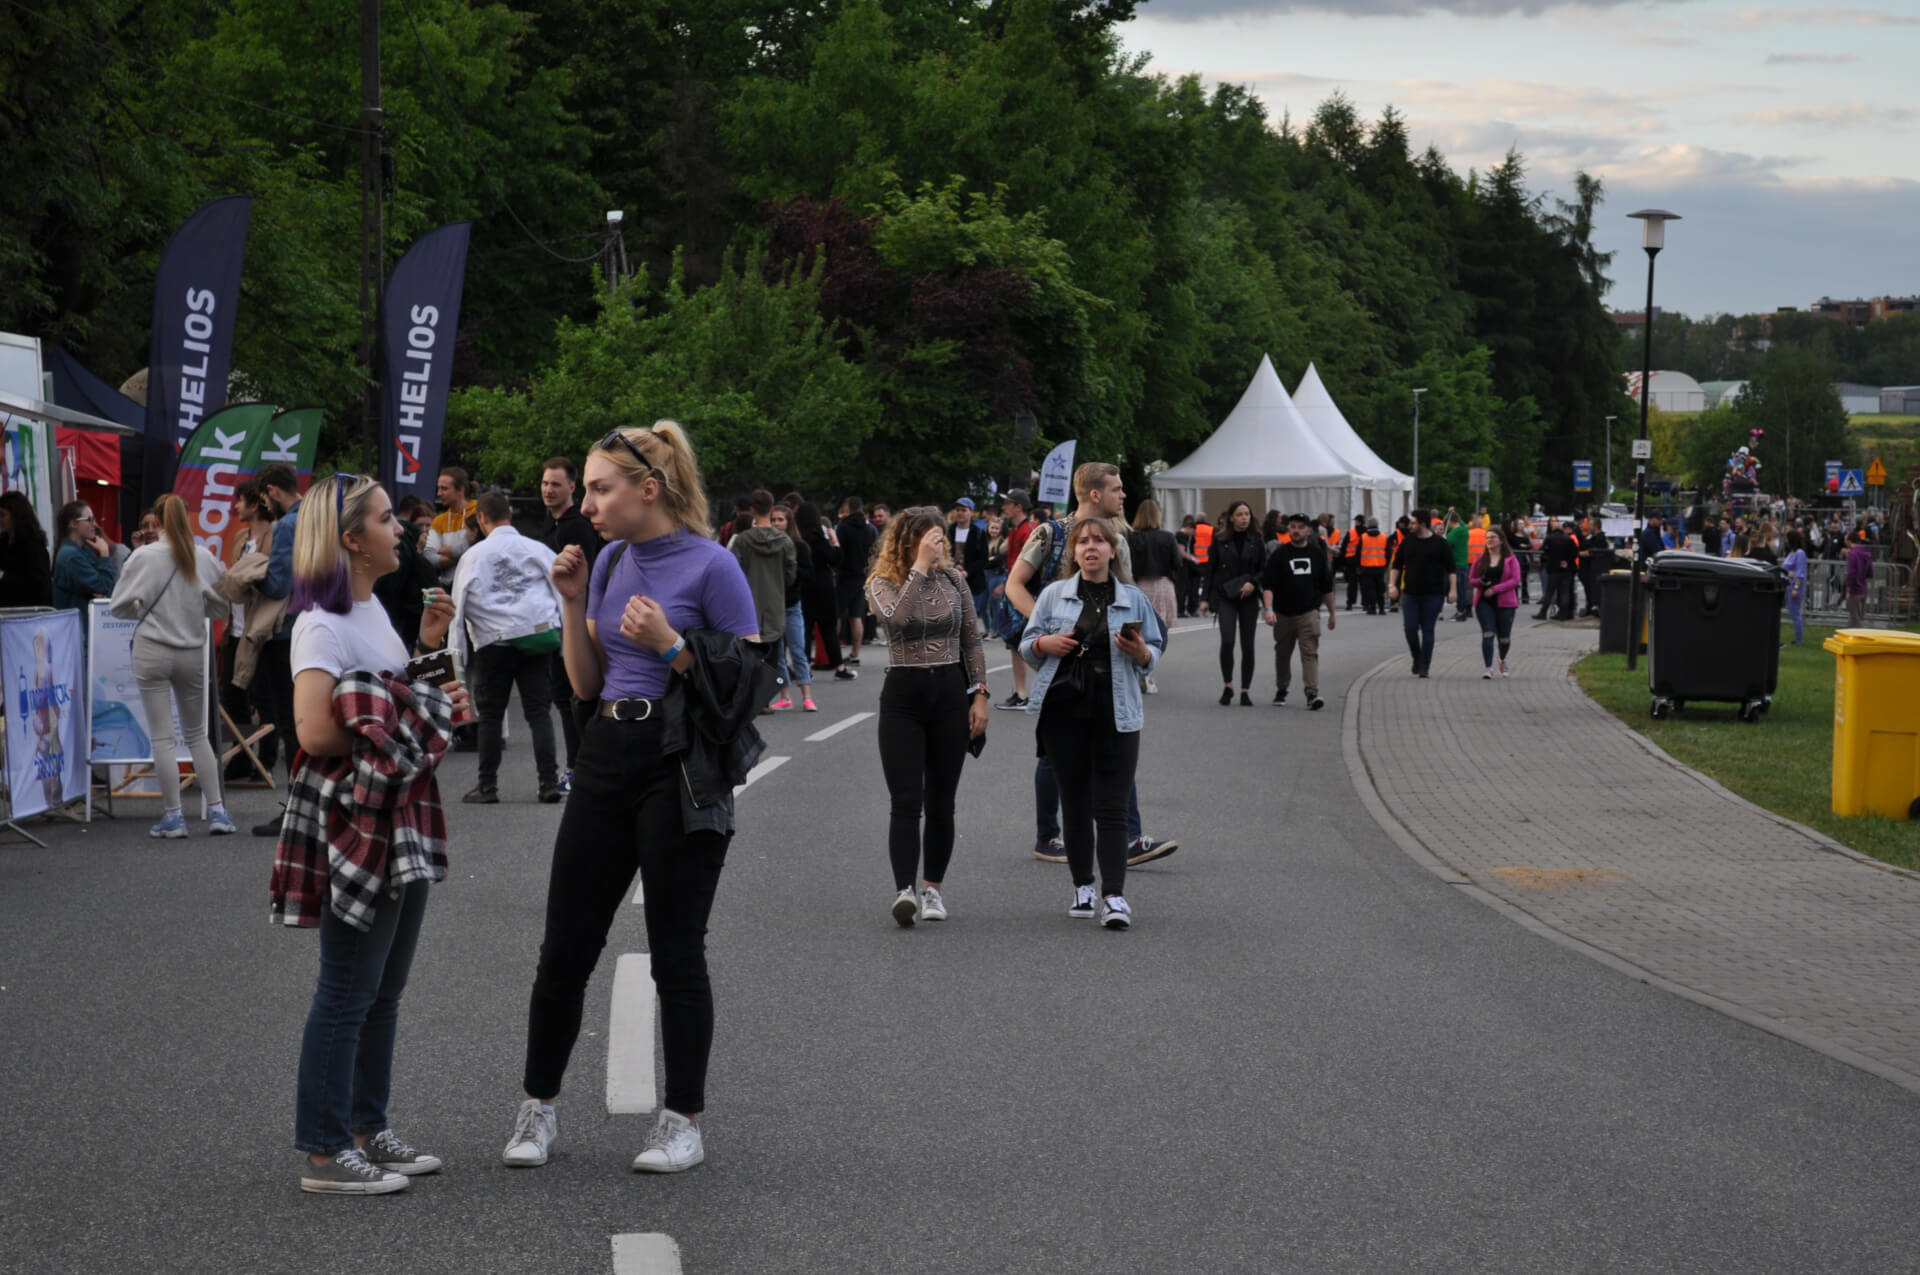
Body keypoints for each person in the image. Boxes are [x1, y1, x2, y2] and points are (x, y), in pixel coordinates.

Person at [502, 421, 770, 1177]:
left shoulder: (715, 565)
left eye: (599, 487)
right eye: (585, 488)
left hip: (676, 763)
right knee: (564, 947)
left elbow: (746, 689)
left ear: (647, 489)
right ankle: (537, 1107)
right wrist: (572, 601)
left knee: (677, 952)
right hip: (605, 755)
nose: (586, 502)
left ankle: (682, 1119)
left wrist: (671, 647)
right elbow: (585, 684)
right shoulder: (612, 558)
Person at [273, 472, 467, 1195]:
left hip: (397, 810)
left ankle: (366, 1126)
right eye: (388, 519)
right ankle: (326, 1150)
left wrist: (427, 651)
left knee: (383, 987)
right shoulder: (320, 623)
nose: (403, 528)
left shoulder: (374, 609)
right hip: (358, 814)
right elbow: (316, 727)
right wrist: (405, 706)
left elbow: (393, 696)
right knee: (348, 985)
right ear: (351, 538)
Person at [1004, 462, 1174, 868]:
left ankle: (1130, 837)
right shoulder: (1050, 533)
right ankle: (1048, 835)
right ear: (1095, 495)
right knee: (1052, 755)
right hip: (1061, 656)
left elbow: (1126, 590)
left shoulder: (1120, 537)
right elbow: (1014, 584)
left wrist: (1137, 640)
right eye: (1117, 489)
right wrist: (1046, 631)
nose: (1124, 495)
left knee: (1117, 739)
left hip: (1108, 656)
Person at [1021, 516, 1165, 930]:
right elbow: (1029, 648)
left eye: (1099, 541)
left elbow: (1154, 649)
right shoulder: (1052, 596)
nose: (1090, 547)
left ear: (1112, 551)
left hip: (1116, 708)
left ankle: (1114, 896)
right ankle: (1083, 886)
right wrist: (1044, 643)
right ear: (1074, 552)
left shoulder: (1134, 598)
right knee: (1076, 803)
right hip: (1064, 706)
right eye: (1083, 541)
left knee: (1113, 806)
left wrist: (1140, 654)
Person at [865, 508, 989, 926]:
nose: (939, 547)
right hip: (903, 695)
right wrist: (918, 567)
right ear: (909, 543)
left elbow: (972, 640)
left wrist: (980, 697)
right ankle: (905, 890)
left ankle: (932, 889)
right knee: (905, 800)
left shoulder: (955, 581)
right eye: (930, 540)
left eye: (941, 539)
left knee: (942, 802)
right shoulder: (882, 582)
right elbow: (895, 622)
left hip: (950, 696)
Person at [108, 494, 235, 837]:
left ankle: (174, 816)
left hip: (152, 649)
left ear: (158, 521)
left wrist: (145, 612)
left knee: (163, 737)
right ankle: (218, 810)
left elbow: (118, 606)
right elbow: (222, 608)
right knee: (197, 734)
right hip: (192, 649)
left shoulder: (143, 556)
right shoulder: (204, 557)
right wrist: (192, 611)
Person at [450, 491, 565, 805]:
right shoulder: (536, 548)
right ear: (510, 515)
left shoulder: (473, 556)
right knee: (539, 712)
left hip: (494, 640)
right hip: (537, 636)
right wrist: (562, 633)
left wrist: (456, 662)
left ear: (482, 518)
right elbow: (561, 589)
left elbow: (457, 610)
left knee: (489, 715)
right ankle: (548, 782)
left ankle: (487, 787)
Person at [535, 457, 604, 790]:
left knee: (575, 697)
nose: (549, 490)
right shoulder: (550, 523)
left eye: (556, 484)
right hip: (552, 618)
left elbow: (584, 580)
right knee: (563, 698)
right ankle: (578, 766)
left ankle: (580, 768)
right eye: (546, 483)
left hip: (573, 620)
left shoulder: (577, 526)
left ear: (572, 487)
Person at [252, 463, 306, 833]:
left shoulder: (287, 525)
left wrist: (251, 575)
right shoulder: (319, 517)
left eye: (264, 499)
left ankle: (296, 808)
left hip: (286, 630)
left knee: (290, 722)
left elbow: (278, 583)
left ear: (272, 490)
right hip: (316, 626)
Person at [728, 489, 798, 701]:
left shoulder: (742, 540)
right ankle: (766, 697)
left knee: (748, 653)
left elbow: (732, 572)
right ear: (772, 508)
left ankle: (750, 696)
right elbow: (790, 574)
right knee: (774, 655)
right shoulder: (785, 541)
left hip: (749, 603)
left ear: (751, 509)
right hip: (775, 602)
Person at [1261, 513, 1335, 709]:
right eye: (1292, 527)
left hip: (1308, 613)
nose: (1295, 531)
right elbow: (1268, 585)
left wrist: (1332, 614)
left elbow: (1327, 587)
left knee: (1309, 653)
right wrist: (1269, 609)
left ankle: (1312, 694)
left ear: (1308, 531)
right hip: (1283, 613)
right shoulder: (1280, 554)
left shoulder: (1317, 554)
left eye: (1300, 527)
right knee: (1283, 654)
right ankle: (1282, 689)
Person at [1207, 501, 1264, 706]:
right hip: (1226, 596)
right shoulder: (1219, 540)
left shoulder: (1256, 540)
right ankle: (1228, 686)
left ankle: (1245, 690)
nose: (1244, 518)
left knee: (1248, 645)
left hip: (1248, 598)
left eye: (1247, 514)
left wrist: (1252, 582)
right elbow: (1210, 569)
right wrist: (1206, 598)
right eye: (1240, 514)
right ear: (1230, 517)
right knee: (1228, 641)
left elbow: (1264, 568)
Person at [1389, 508, 1454, 678]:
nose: (1410, 525)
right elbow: (1396, 565)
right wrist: (1392, 585)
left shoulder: (1440, 544)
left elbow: (1451, 568)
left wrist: (1453, 590)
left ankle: (1425, 665)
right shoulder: (1408, 541)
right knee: (1410, 629)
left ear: (1422, 524)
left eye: (1413, 522)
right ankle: (1417, 657)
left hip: (1433, 594)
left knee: (1428, 630)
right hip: (1410, 594)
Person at [1126, 498, 1180, 695]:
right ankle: (1148, 667)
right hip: (1163, 584)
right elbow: (1178, 562)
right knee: (1159, 633)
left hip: (1140, 585)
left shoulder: (1133, 538)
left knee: (1138, 629)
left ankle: (1140, 668)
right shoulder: (1167, 537)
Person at [798, 502, 856, 681]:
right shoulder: (818, 536)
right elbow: (834, 559)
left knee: (805, 631)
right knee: (829, 630)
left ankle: (805, 667)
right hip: (823, 586)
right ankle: (839, 666)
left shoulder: (798, 537)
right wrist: (835, 541)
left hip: (804, 585)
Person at [768, 504, 816, 711]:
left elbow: (808, 574)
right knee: (777, 655)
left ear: (789, 522)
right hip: (772, 605)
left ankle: (807, 696)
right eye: (773, 519)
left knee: (798, 650)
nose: (777, 523)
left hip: (791, 604)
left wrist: (790, 572)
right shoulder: (767, 544)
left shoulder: (799, 546)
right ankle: (785, 696)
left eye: (781, 519)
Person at [992, 490, 1035, 708]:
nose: (1004, 507)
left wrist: (1008, 583)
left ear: (1018, 506)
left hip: (1020, 593)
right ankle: (1020, 693)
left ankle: (1026, 693)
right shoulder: (1017, 530)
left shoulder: (1028, 531)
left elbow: (1026, 567)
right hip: (1014, 590)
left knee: (1021, 643)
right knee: (1015, 644)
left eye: (1007, 504)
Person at [1470, 526, 1521, 678]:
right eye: (1487, 538)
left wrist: (1496, 589)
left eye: (1492, 537)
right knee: (1488, 634)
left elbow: (1515, 580)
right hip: (1484, 602)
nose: (1489, 540)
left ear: (1500, 540)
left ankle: (1502, 658)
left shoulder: (1510, 559)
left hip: (1505, 602)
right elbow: (1471, 579)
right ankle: (1488, 668)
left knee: (1504, 638)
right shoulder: (1480, 559)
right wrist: (1481, 582)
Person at [52, 500, 118, 611]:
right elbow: (104, 587)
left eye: (94, 519)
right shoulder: (71, 555)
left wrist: (100, 590)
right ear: (73, 524)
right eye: (89, 520)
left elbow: (107, 588)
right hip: (77, 624)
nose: (95, 524)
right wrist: (105, 555)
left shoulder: (83, 551)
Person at [425, 467, 478, 589]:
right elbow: (429, 557)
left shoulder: (479, 512)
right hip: (448, 587)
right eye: (439, 488)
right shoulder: (438, 521)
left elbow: (477, 547)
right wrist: (461, 555)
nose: (439, 493)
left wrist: (446, 551)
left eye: (444, 488)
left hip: (474, 585)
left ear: (461, 490)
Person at [836, 497, 876, 656]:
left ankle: (835, 651)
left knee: (837, 614)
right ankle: (855, 653)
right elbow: (875, 552)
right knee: (856, 616)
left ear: (848, 507)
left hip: (845, 575)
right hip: (863, 575)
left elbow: (839, 550)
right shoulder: (870, 529)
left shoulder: (843, 526)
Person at [0, 491, 52, 607]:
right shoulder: (4, 542)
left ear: (17, 516)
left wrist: (4, 576)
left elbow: (38, 586)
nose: (0, 520)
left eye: (3, 515)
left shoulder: (34, 547)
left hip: (27, 612)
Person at [947, 497, 991, 624]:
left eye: (963, 510)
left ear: (971, 512)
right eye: (958, 510)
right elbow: (944, 553)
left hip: (972, 582)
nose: (960, 513)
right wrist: (954, 566)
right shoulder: (949, 530)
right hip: (951, 579)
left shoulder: (979, 533)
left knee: (968, 616)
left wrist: (967, 571)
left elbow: (983, 559)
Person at [1536, 518, 1576, 621]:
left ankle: (1543, 613)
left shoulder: (1549, 538)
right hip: (1565, 569)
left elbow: (1543, 551)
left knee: (1549, 592)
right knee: (1564, 592)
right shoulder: (1569, 539)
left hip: (1553, 568)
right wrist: (1567, 561)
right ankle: (1563, 614)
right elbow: (1575, 553)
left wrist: (1549, 559)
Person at [1358, 517, 1390, 615]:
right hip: (1380, 567)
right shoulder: (1384, 537)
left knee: (1370, 588)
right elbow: (1388, 553)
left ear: (1368, 526)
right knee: (1380, 588)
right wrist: (1386, 565)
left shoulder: (1363, 537)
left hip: (1366, 567)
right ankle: (1381, 608)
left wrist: (1358, 566)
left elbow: (1358, 553)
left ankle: (1372, 608)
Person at [1444, 511, 1471, 621]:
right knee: (1462, 589)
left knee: (1459, 590)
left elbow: (1446, 546)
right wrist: (1453, 512)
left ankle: (1460, 612)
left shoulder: (1452, 534)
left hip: (1456, 564)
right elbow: (1462, 523)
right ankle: (1463, 610)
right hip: (1464, 563)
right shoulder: (1464, 529)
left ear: (1451, 522)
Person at [1783, 529, 1808, 644]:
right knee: (1793, 612)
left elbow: (1800, 572)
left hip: (1794, 587)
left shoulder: (1800, 553)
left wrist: (1796, 588)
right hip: (1788, 585)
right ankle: (1798, 637)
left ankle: (1799, 639)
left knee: (1795, 613)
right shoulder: (1791, 553)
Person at [1845, 530, 1873, 627]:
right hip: (1863, 587)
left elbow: (1851, 573)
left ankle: (1862, 639)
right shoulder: (1865, 552)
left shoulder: (1853, 554)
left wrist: (1849, 589)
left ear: (1849, 541)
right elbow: (1870, 570)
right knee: (1859, 616)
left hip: (1855, 589)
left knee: (1856, 619)